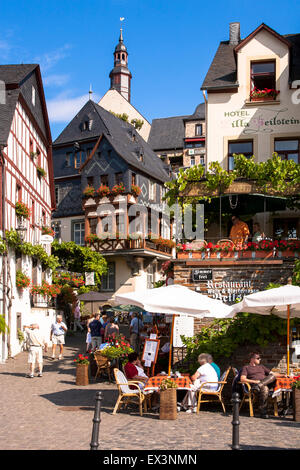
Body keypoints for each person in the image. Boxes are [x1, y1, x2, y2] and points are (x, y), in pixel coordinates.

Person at [240, 351, 283, 419]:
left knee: (272, 376)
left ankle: (259, 385)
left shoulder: (262, 367)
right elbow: (242, 379)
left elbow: (273, 374)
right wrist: (255, 381)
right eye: (258, 358)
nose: (260, 359)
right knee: (265, 388)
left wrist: (284, 375)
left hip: (260, 386)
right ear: (252, 359)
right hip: (254, 387)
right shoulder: (246, 367)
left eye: (260, 358)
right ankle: (263, 412)